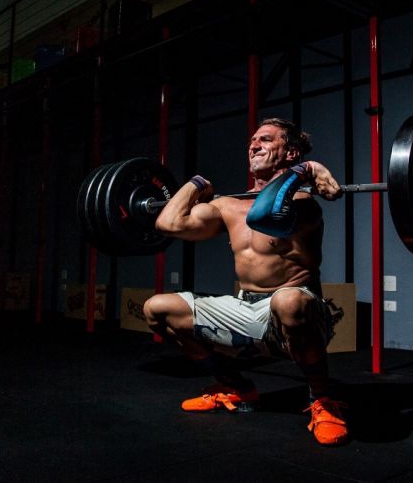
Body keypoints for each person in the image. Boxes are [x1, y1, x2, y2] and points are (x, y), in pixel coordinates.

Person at [142, 117, 348, 446]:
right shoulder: (228, 205)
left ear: (290, 152)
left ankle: (323, 401)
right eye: (252, 141)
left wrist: (309, 169)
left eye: (266, 140)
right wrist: (196, 184)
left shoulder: (304, 204)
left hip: (296, 311)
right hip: (244, 308)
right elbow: (168, 223)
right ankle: (236, 387)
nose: (254, 145)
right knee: (157, 308)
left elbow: (265, 215)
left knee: (288, 300)